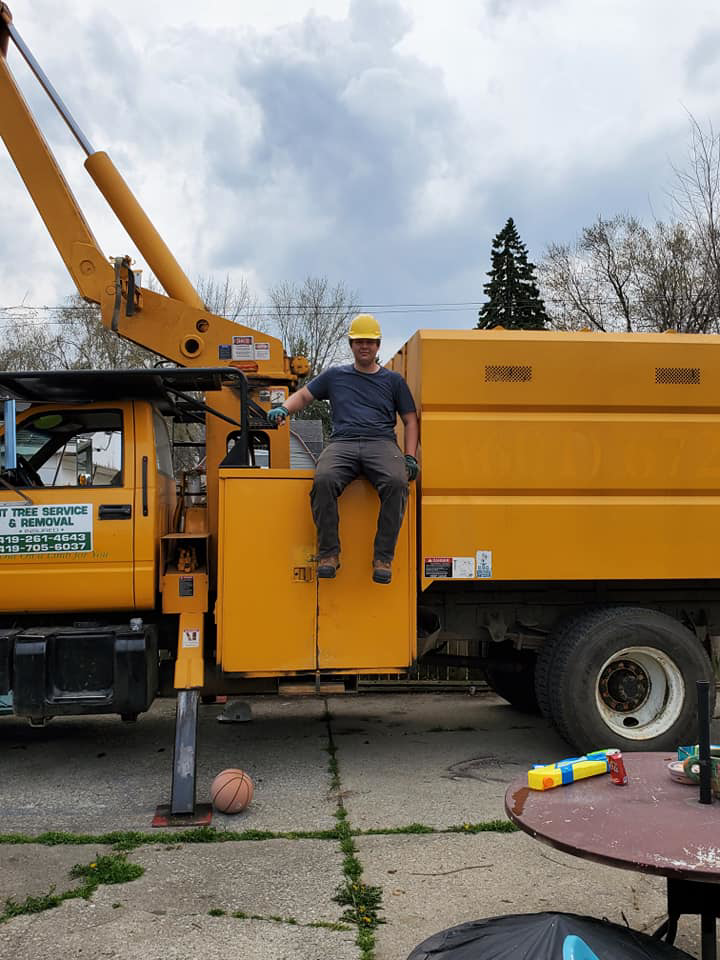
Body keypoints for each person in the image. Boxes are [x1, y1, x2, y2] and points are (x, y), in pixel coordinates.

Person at [267, 313, 419, 584]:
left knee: (397, 482)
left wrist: (409, 457)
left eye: (370, 342)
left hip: (380, 442)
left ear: (378, 346)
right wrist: (283, 408)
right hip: (343, 443)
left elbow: (410, 420)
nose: (365, 347)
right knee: (323, 479)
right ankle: (329, 554)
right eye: (359, 341)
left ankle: (383, 558)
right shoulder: (335, 376)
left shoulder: (393, 381)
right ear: (351, 344)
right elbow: (303, 395)